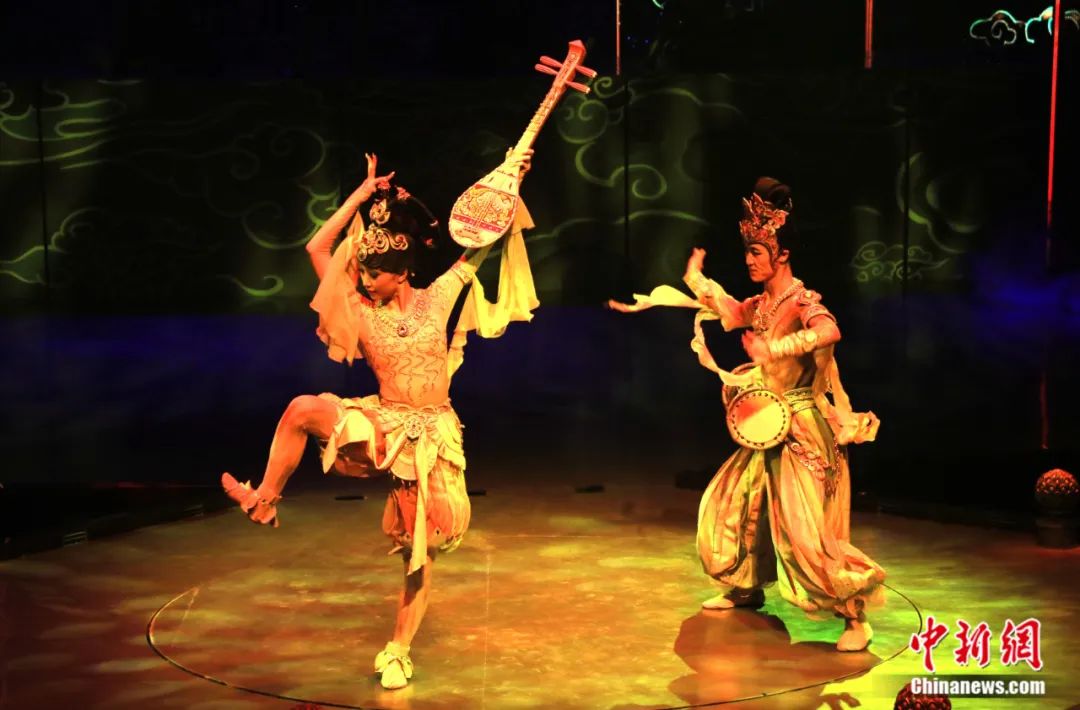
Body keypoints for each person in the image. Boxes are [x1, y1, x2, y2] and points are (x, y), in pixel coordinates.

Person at [222, 150, 538, 688]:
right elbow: (317, 248)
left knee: (420, 553)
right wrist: (362, 194)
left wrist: (510, 180)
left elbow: (485, 237)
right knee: (302, 408)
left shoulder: (439, 297)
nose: (364, 279)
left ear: (402, 273)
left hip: (431, 437)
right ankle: (264, 501)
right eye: (363, 271)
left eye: (374, 273)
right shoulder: (359, 309)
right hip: (385, 423)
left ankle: (398, 651)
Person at [608, 177, 885, 651]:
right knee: (736, 506)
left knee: (804, 532)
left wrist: (775, 347)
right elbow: (731, 312)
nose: (750, 260)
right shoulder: (762, 304)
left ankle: (854, 616)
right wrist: (695, 279)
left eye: (757, 252)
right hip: (767, 425)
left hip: (801, 430)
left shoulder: (803, 302)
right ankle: (745, 587)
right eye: (748, 252)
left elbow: (830, 333)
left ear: (782, 254)